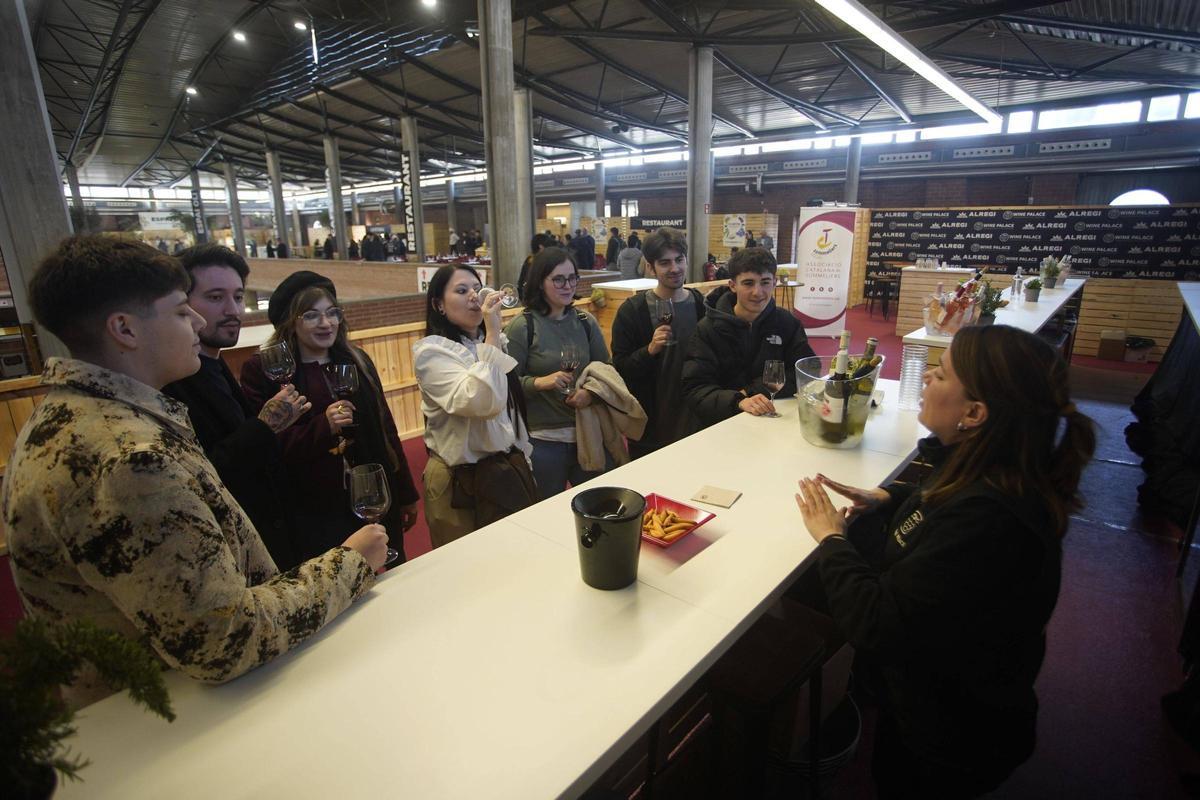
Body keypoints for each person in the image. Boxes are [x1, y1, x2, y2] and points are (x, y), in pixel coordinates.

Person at [2, 236, 387, 709]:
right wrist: (349, 563)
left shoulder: (75, 415)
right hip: (172, 719)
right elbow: (224, 639)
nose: (199, 322)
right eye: (183, 310)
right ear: (125, 328)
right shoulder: (128, 458)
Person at [794, 324, 1096, 798]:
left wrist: (832, 538)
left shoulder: (989, 521)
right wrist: (888, 498)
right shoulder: (987, 470)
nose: (928, 376)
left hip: (949, 737)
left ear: (974, 413)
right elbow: (935, 498)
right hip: (938, 707)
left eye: (943, 373)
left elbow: (875, 623)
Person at [241, 271, 420, 563]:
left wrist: (405, 492)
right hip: (312, 512)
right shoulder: (265, 370)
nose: (326, 324)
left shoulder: (356, 360)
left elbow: (385, 429)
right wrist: (322, 427)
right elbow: (264, 449)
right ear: (291, 320)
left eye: (332, 313)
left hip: (370, 498)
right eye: (312, 315)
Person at [162, 244, 310, 570]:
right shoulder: (172, 381)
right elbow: (203, 477)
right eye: (216, 298)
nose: (234, 310)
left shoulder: (215, 363)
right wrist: (265, 426)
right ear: (181, 305)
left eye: (239, 297)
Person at [414, 265, 536, 547]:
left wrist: (524, 460)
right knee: (467, 572)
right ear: (438, 304)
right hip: (458, 482)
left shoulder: (487, 342)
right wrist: (493, 332)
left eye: (476, 287)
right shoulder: (432, 352)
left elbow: (509, 412)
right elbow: (481, 403)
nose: (474, 296)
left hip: (502, 470)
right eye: (461, 290)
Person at [504, 247, 611, 500]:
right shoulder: (523, 327)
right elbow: (505, 386)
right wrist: (539, 383)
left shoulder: (585, 322)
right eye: (558, 279)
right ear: (540, 283)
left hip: (588, 432)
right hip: (542, 442)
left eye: (572, 278)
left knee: (600, 506)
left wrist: (590, 394)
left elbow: (606, 370)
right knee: (543, 516)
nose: (568, 285)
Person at [682, 247, 815, 426]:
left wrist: (750, 392)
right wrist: (738, 401)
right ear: (732, 285)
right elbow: (695, 389)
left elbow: (807, 369)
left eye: (765, 282)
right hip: (722, 426)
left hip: (775, 422)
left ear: (775, 282)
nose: (757, 292)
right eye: (748, 283)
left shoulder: (787, 323)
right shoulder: (707, 328)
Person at [612, 228, 706, 459]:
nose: (674, 268)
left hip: (696, 422)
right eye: (665, 263)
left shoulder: (701, 305)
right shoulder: (633, 311)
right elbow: (621, 369)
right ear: (651, 267)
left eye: (679, 260)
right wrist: (649, 350)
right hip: (651, 427)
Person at [518, 232, 553, 302]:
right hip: (540, 301)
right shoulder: (543, 261)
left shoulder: (529, 259)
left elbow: (521, 282)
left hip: (529, 299)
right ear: (541, 246)